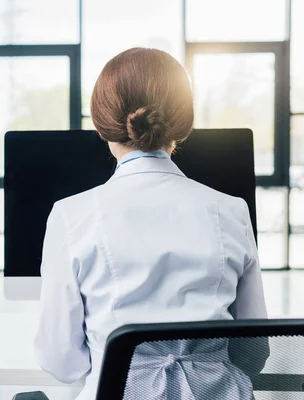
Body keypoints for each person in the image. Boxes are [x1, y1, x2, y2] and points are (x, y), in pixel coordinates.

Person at [34, 48, 268, 399]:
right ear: (183, 123)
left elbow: (61, 363)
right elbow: (253, 354)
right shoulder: (232, 211)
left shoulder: (71, 215)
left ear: (102, 124)